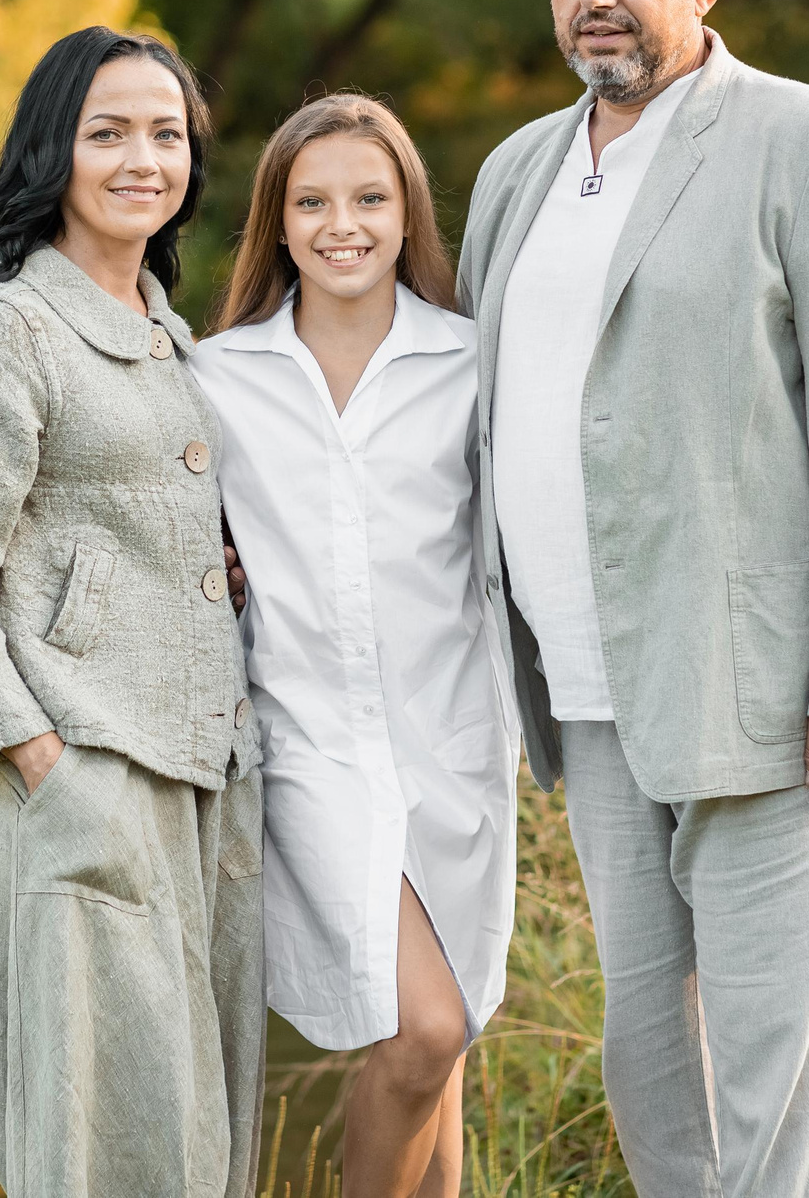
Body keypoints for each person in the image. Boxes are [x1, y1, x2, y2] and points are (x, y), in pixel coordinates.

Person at [458, 0, 809, 1198]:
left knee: (782, 1085)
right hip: (592, 702)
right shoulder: (514, 171)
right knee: (651, 1070)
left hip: (775, 703)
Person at [0, 26, 265, 1198]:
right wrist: (51, 769)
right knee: (95, 1147)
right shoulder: (4, 331)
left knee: (198, 1140)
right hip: (88, 776)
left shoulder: (171, 337)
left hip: (206, 779)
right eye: (108, 133)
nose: (141, 158)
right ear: (54, 151)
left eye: (166, 134)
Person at [191, 94, 517, 1198]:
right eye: (313, 201)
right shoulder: (214, 377)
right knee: (422, 1030)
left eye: (371, 198)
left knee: (449, 1037)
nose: (344, 224)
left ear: (408, 211)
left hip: (452, 745)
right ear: (276, 225)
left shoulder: (473, 365)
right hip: (309, 752)